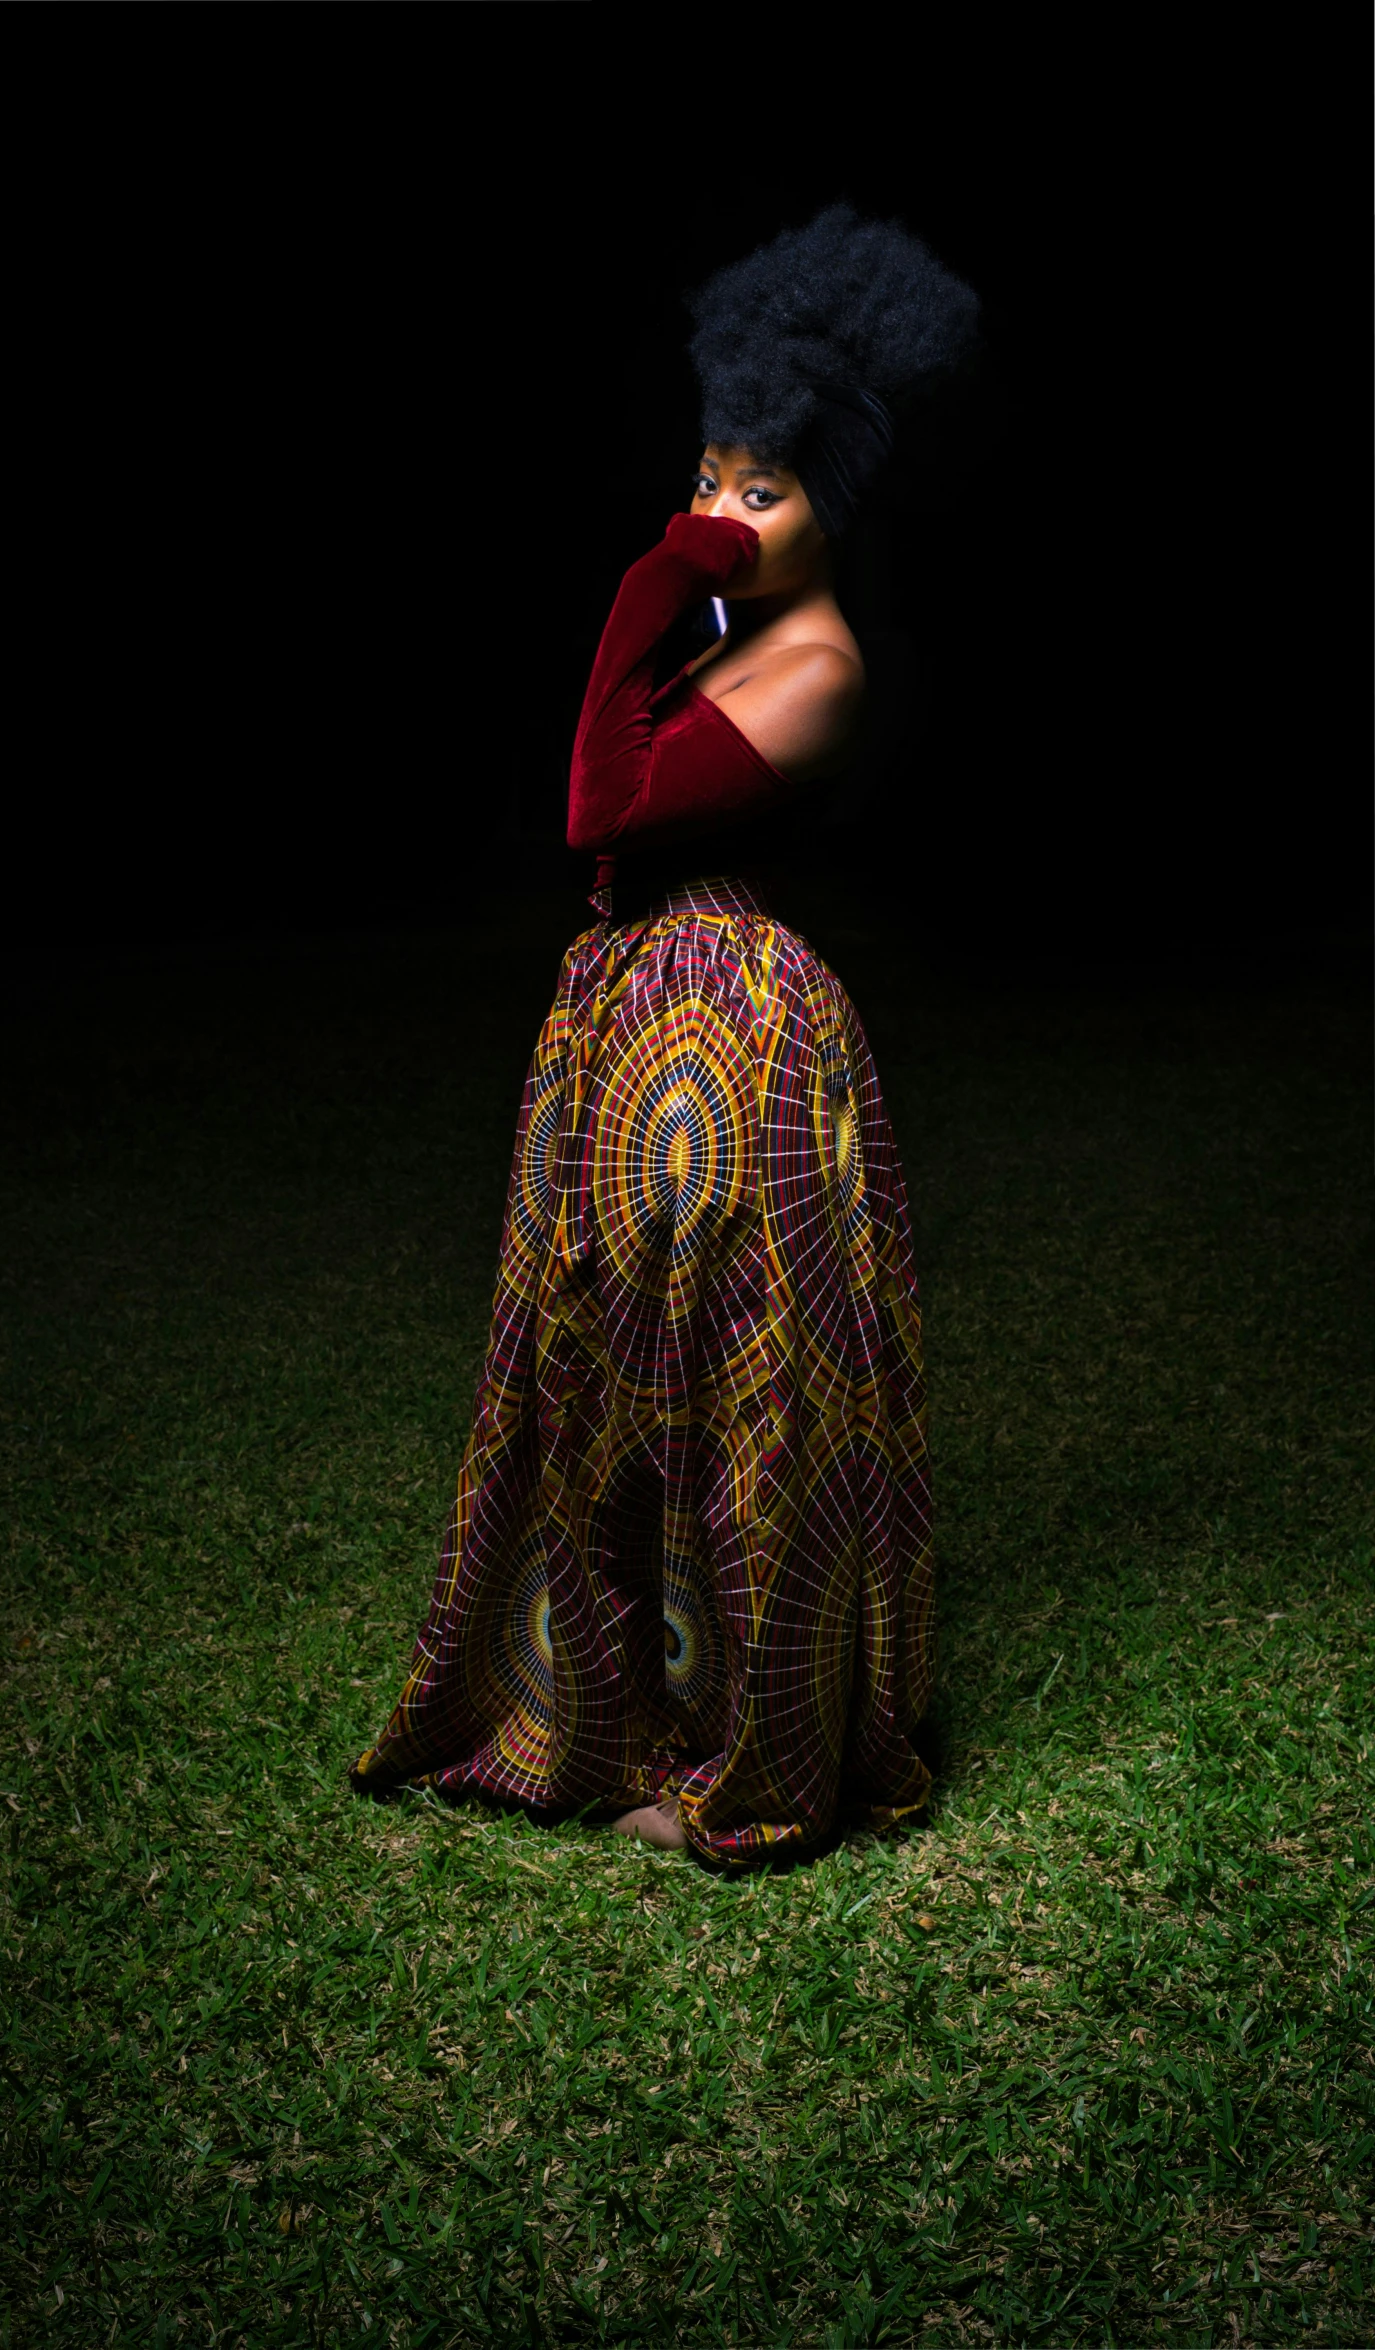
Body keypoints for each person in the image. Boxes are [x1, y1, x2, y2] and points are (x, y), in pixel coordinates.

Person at [350, 205, 979, 1867]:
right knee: (606, 1375)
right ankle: (614, 1706)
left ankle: (757, 1740)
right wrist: (704, 567)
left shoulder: (817, 664)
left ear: (827, 505)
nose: (717, 516)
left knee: (743, 1394)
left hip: (738, 1039)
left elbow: (599, 804)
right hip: (637, 1021)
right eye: (703, 480)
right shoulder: (736, 633)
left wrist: (661, 567)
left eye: (758, 491)